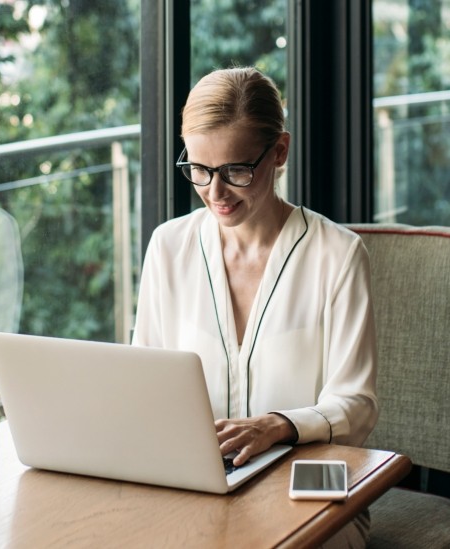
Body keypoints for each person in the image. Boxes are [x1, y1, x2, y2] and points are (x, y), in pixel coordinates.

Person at [132, 67, 378, 548]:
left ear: (279, 151)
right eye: (199, 170)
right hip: (199, 489)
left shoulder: (338, 255)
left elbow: (357, 405)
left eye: (235, 170)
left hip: (307, 495)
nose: (215, 193)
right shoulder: (168, 247)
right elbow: (144, 381)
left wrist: (279, 425)